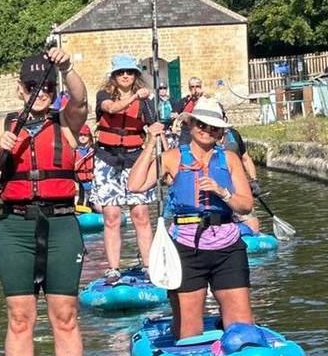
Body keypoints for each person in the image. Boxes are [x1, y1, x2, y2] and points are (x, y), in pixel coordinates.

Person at [0, 47, 92, 356]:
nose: (40, 93)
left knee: (65, 315)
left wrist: (68, 67)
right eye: (32, 86)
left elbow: (82, 98)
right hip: (16, 227)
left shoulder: (67, 121)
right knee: (20, 317)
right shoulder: (5, 125)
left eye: (47, 87)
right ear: (19, 89)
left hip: (60, 225)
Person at [127, 96, 256, 341]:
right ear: (191, 124)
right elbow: (134, 185)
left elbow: (246, 205)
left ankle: (231, 338)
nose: (207, 131)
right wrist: (149, 144)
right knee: (189, 330)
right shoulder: (172, 158)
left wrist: (222, 192)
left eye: (213, 127)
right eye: (201, 124)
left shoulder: (229, 159)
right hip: (186, 248)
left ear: (220, 132)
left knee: (242, 326)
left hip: (227, 247)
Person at [91, 53, 156, 283]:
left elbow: (153, 127)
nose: (125, 76)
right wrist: (134, 97)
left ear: (136, 75)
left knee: (140, 214)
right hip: (107, 158)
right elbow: (112, 109)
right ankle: (113, 269)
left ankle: (148, 265)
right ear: (114, 76)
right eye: (121, 72)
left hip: (135, 159)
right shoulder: (104, 95)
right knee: (111, 215)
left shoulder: (146, 101)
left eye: (129, 72)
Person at [174, 77, 205, 147]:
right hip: (186, 130)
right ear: (189, 88)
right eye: (192, 87)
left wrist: (201, 96)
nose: (195, 89)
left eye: (197, 86)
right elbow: (175, 112)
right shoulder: (185, 101)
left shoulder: (205, 100)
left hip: (201, 129)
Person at [75, 124, 96, 209]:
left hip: (92, 184)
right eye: (80, 135)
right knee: (78, 196)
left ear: (89, 137)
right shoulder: (73, 151)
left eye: (85, 135)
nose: (83, 137)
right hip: (78, 183)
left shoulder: (93, 151)